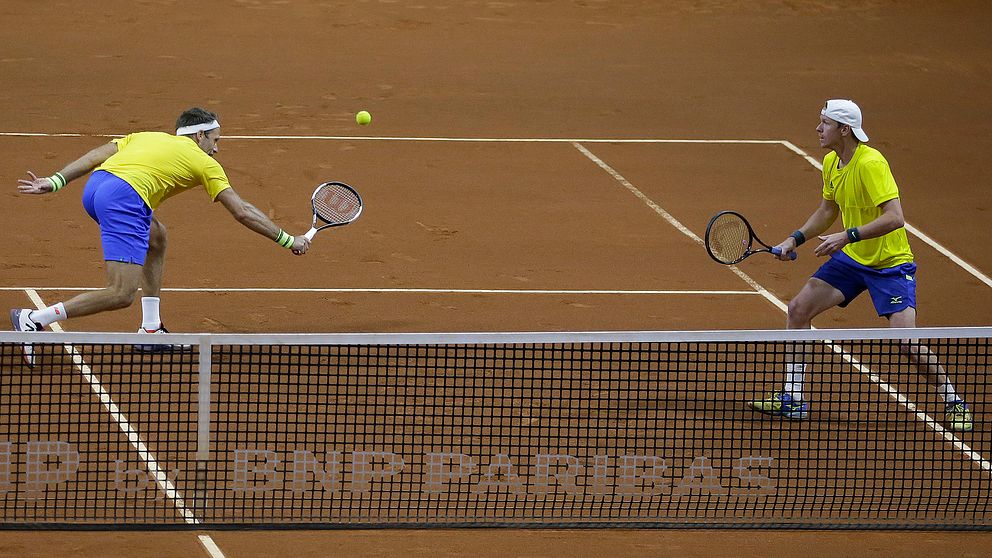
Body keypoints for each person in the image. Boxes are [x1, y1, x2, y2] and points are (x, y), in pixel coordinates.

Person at [10, 107, 310, 364]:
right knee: (121, 293)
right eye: (215, 140)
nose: (216, 148)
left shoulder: (147, 136)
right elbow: (241, 210)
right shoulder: (205, 163)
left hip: (96, 188)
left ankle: (151, 329)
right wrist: (288, 239)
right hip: (124, 199)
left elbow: (98, 155)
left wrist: (57, 180)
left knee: (157, 238)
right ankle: (35, 320)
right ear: (199, 136)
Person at [747, 99, 973, 432]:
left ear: (844, 129)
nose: (818, 128)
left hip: (890, 265)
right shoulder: (830, 162)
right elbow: (827, 211)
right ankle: (793, 397)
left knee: (907, 343)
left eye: (824, 123)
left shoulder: (871, 163)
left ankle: (953, 399)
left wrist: (848, 236)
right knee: (797, 310)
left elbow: (895, 218)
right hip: (853, 260)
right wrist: (794, 239)